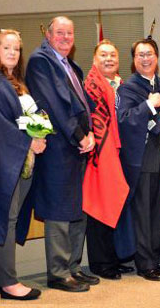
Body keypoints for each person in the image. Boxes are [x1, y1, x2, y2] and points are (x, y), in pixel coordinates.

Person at [25, 16, 99, 292]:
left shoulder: (71, 65)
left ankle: (73, 267)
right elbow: (53, 104)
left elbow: (83, 104)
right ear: (49, 35)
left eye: (69, 33)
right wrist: (80, 135)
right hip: (58, 147)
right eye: (60, 33)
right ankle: (58, 272)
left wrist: (90, 134)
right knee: (58, 209)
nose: (65, 38)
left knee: (77, 208)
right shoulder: (40, 61)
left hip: (78, 147)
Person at [0, 29, 44, 300]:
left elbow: (27, 115)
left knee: (12, 218)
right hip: (2, 161)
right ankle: (9, 283)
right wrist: (28, 142)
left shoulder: (16, 81)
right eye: (7, 47)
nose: (13, 52)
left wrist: (40, 133)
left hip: (23, 159)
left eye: (17, 48)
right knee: (6, 219)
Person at [116, 37, 160, 282]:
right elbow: (125, 119)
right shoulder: (128, 88)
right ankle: (145, 262)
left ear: (157, 57)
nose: (145, 58)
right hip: (142, 157)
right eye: (140, 55)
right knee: (143, 212)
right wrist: (149, 106)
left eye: (149, 54)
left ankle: (156, 255)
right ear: (133, 60)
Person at [82, 39, 133, 280]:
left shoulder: (121, 85)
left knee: (114, 205)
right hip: (100, 153)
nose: (109, 59)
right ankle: (100, 263)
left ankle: (112, 257)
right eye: (103, 55)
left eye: (113, 55)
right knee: (99, 206)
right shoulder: (90, 86)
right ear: (94, 60)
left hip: (119, 152)